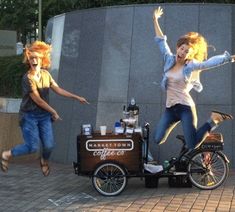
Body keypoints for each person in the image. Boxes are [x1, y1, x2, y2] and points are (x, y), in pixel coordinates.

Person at [152, 7, 234, 153]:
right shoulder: (169, 59)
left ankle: (213, 120)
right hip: (170, 109)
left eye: (186, 51)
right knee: (158, 139)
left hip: (185, 108)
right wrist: (155, 19)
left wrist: (226, 59)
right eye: (182, 48)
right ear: (178, 47)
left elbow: (207, 63)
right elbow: (160, 41)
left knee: (192, 144)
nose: (182, 53)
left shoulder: (191, 66)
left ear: (190, 55)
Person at [1, 41, 89, 176]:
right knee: (33, 147)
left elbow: (58, 89)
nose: (34, 60)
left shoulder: (46, 75)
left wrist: (76, 97)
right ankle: (7, 154)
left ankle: (44, 161)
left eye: (37, 58)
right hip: (29, 116)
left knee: (49, 145)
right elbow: (38, 100)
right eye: (31, 58)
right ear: (28, 60)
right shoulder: (27, 78)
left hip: (43, 116)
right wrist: (53, 111)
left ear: (42, 59)